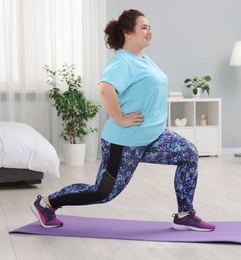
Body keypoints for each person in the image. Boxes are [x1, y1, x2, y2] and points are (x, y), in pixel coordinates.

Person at [31, 9, 215, 232]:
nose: (149, 31)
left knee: (189, 154)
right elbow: (105, 88)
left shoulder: (144, 59)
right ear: (128, 33)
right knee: (103, 192)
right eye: (144, 27)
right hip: (125, 141)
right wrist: (120, 118)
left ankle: (184, 214)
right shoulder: (123, 61)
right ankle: (46, 204)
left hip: (154, 136)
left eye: (150, 27)